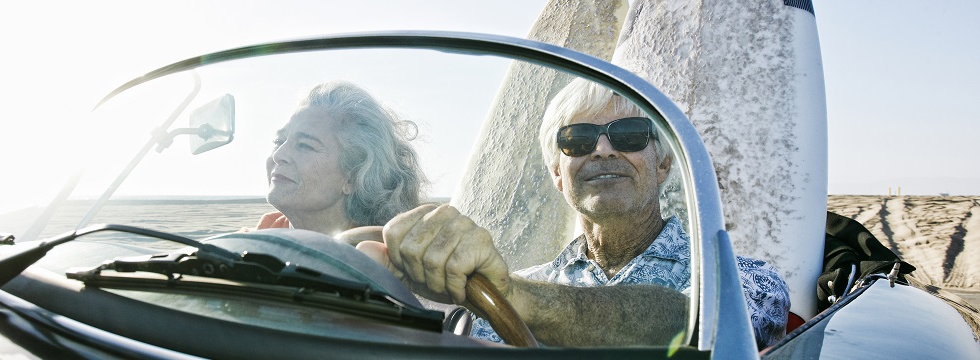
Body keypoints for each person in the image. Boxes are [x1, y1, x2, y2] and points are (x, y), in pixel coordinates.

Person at [357, 78, 789, 348]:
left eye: (629, 134)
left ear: (662, 165)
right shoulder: (516, 291)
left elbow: (703, 327)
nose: (602, 149)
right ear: (558, 175)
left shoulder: (743, 281)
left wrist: (511, 296)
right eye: (578, 140)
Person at [255, 81, 426, 238]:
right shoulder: (257, 237)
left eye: (305, 145)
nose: (278, 155)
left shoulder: (385, 258)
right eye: (279, 141)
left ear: (352, 177)